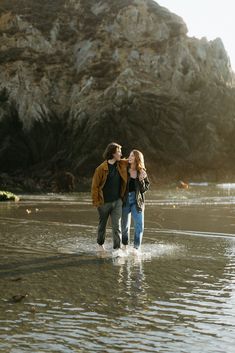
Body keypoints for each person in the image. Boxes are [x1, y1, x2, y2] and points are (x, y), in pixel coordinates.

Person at [91, 142, 128, 255]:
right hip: (104, 202)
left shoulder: (121, 164)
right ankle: (100, 244)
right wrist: (97, 203)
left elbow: (134, 161)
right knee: (102, 225)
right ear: (113, 153)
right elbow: (95, 187)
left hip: (117, 201)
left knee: (117, 226)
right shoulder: (101, 169)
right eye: (119, 152)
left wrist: (142, 171)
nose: (121, 154)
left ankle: (117, 248)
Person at [121, 149, 150, 254]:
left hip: (137, 201)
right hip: (125, 200)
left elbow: (144, 189)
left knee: (139, 225)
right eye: (129, 155)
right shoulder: (123, 170)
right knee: (124, 226)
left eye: (132, 156)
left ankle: (136, 248)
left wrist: (142, 179)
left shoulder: (141, 172)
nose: (130, 157)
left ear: (137, 158)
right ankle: (124, 246)